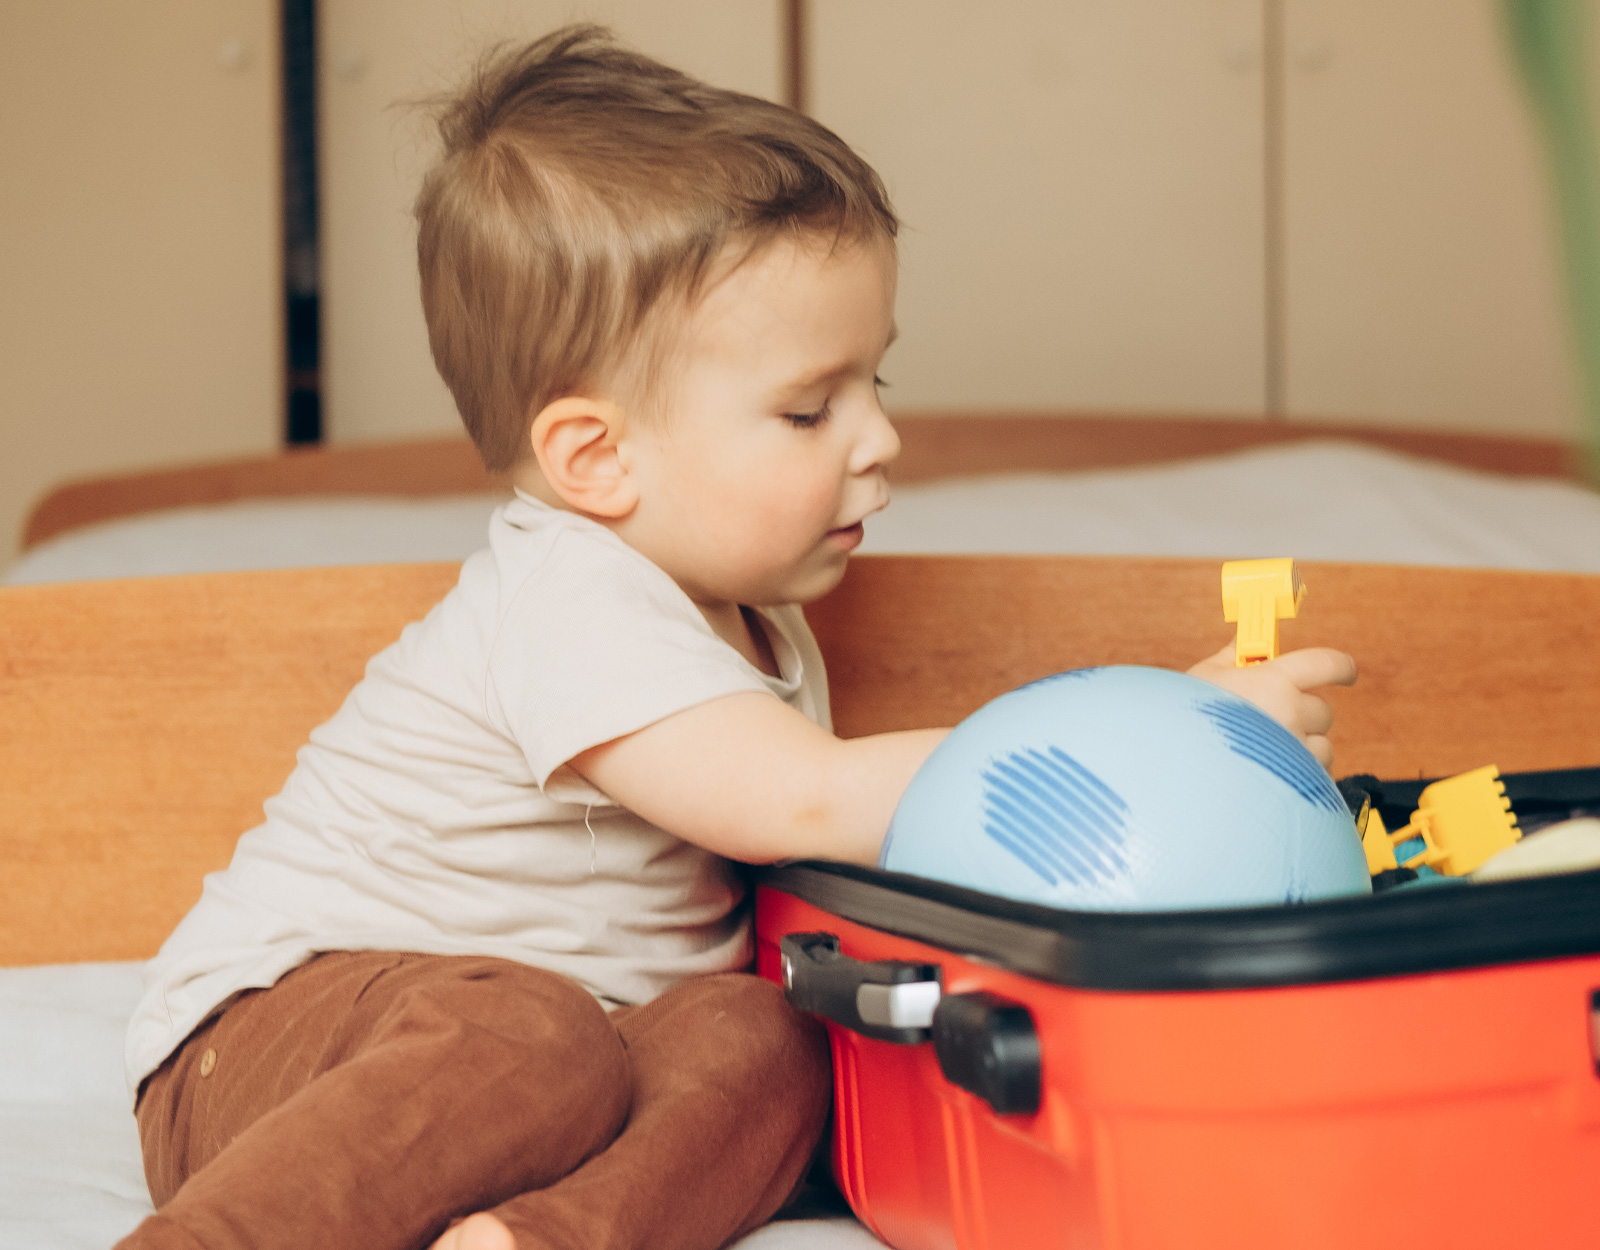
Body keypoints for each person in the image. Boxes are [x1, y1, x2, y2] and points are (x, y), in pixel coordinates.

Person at [116, 25, 1356, 1250]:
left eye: (878, 383)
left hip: (560, 1059)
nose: (878, 439)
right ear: (597, 457)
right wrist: (1158, 740)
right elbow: (805, 802)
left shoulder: (750, 615)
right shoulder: (568, 600)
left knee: (779, 1030)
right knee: (528, 1034)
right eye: (810, 407)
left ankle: (536, 1239)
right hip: (266, 1044)